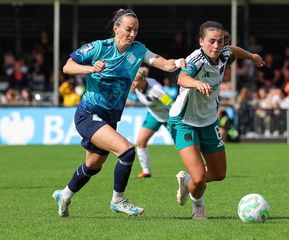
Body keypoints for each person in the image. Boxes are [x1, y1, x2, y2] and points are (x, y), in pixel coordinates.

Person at [52, 9, 184, 218]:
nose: (132, 34)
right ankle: (118, 200)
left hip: (110, 119)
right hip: (88, 114)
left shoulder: (138, 50)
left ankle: (64, 195)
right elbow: (67, 67)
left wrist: (180, 62)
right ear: (116, 29)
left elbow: (166, 64)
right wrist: (91, 69)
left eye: (136, 30)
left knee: (93, 166)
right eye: (128, 29)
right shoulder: (99, 47)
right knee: (127, 151)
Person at [168, 21, 264, 220]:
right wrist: (196, 83)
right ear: (201, 41)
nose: (216, 46)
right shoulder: (196, 59)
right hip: (183, 120)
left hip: (209, 121)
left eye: (220, 41)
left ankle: (186, 182)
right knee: (200, 176)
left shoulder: (224, 53)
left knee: (219, 173)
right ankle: (198, 208)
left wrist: (252, 57)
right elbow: (181, 78)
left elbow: (233, 49)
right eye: (211, 41)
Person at [130, 67, 173, 179]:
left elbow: (171, 103)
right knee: (140, 142)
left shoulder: (156, 91)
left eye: (134, 81)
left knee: (182, 146)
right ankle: (146, 171)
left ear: (143, 80)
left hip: (169, 117)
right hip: (153, 115)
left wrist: (177, 118)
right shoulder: (136, 86)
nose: (132, 84)